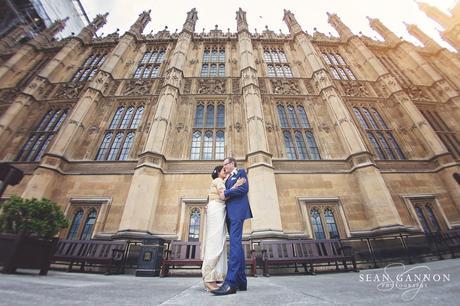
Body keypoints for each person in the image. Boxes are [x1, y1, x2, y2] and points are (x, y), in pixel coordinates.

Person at [212, 157, 252, 296]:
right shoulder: (227, 179)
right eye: (223, 165)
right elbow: (220, 195)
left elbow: (244, 189)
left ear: (232, 164)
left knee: (234, 245)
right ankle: (242, 282)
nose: (224, 167)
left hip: (237, 212)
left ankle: (231, 283)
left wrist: (227, 192)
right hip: (228, 215)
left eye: (226, 165)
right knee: (236, 245)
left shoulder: (240, 172)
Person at [202, 165, 244, 291]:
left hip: (217, 209)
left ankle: (215, 276)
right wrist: (237, 185)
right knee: (215, 241)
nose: (225, 172)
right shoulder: (219, 181)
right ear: (218, 173)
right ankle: (208, 277)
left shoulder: (220, 181)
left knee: (219, 241)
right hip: (217, 209)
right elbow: (223, 196)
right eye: (223, 171)